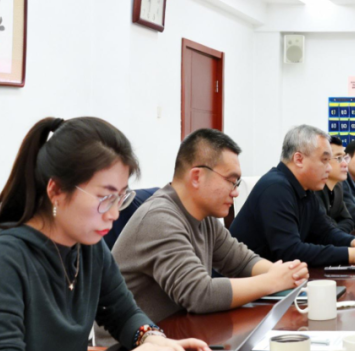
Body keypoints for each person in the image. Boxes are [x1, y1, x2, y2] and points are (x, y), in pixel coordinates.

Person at [0, 117, 211, 351]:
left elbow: (122, 313)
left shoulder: (88, 245)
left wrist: (152, 339)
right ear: (56, 191)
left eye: (120, 197)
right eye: (105, 197)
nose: (114, 213)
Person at [114, 129, 309, 325]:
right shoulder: (159, 219)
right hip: (136, 341)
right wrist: (273, 281)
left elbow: (241, 261)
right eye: (231, 181)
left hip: (178, 332)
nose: (235, 192)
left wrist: (285, 273)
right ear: (196, 177)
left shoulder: (204, 218)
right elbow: (199, 294)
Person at [231, 126, 355, 266]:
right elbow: (290, 251)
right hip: (246, 282)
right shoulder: (276, 188)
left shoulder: (305, 189)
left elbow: (325, 232)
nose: (329, 168)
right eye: (325, 160)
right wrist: (351, 254)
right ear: (299, 159)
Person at [318, 136, 355, 233]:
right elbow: (321, 230)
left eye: (344, 158)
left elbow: (348, 220)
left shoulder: (338, 187)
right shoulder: (314, 190)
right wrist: (335, 234)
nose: (345, 164)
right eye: (338, 158)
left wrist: (336, 233)